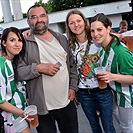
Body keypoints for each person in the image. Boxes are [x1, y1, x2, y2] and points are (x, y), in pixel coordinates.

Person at [16, 5, 78, 133]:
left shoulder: (61, 38)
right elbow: (18, 73)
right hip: (41, 108)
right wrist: (38, 68)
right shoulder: (24, 43)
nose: (39, 20)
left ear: (47, 18)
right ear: (28, 22)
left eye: (42, 15)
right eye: (34, 17)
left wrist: (73, 87)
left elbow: (72, 65)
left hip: (66, 103)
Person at [65, 10, 116, 133]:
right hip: (83, 92)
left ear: (84, 21)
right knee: (94, 125)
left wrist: (118, 36)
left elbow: (111, 40)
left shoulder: (96, 38)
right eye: (71, 23)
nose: (76, 25)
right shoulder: (69, 44)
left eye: (78, 21)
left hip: (102, 90)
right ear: (68, 26)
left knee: (108, 126)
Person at [90, 13, 133, 133]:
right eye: (92, 30)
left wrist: (112, 76)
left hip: (126, 96)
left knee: (126, 127)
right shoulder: (103, 48)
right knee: (120, 120)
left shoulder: (120, 51)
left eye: (99, 29)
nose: (95, 34)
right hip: (113, 94)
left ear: (109, 29)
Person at [0, 27, 31, 133]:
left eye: (19, 40)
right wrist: (21, 113)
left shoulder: (15, 60)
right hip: (12, 116)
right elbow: (1, 101)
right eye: (12, 40)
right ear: (4, 43)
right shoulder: (1, 65)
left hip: (22, 111)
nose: (17, 44)